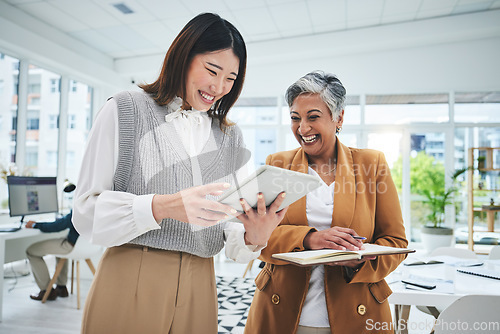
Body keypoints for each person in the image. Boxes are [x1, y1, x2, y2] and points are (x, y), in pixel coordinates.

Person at [72, 12, 288, 334]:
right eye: (212, 71)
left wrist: (254, 236)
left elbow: (229, 226)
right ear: (183, 57)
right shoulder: (125, 109)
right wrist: (163, 206)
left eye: (231, 78)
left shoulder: (231, 137)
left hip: (201, 283)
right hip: (133, 273)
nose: (219, 87)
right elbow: (85, 211)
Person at [244, 71, 408, 334]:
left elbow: (396, 243)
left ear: (338, 117)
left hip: (357, 311)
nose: (303, 129)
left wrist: (360, 261)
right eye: (295, 118)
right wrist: (309, 240)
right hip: (282, 313)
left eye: (313, 117)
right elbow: (257, 241)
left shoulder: (371, 164)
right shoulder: (278, 163)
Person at [25, 211, 78, 301]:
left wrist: (35, 225)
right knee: (60, 251)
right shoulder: (98, 207)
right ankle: (61, 288)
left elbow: (56, 226)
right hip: (86, 246)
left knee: (31, 251)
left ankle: (47, 290)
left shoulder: (79, 209)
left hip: (71, 246)